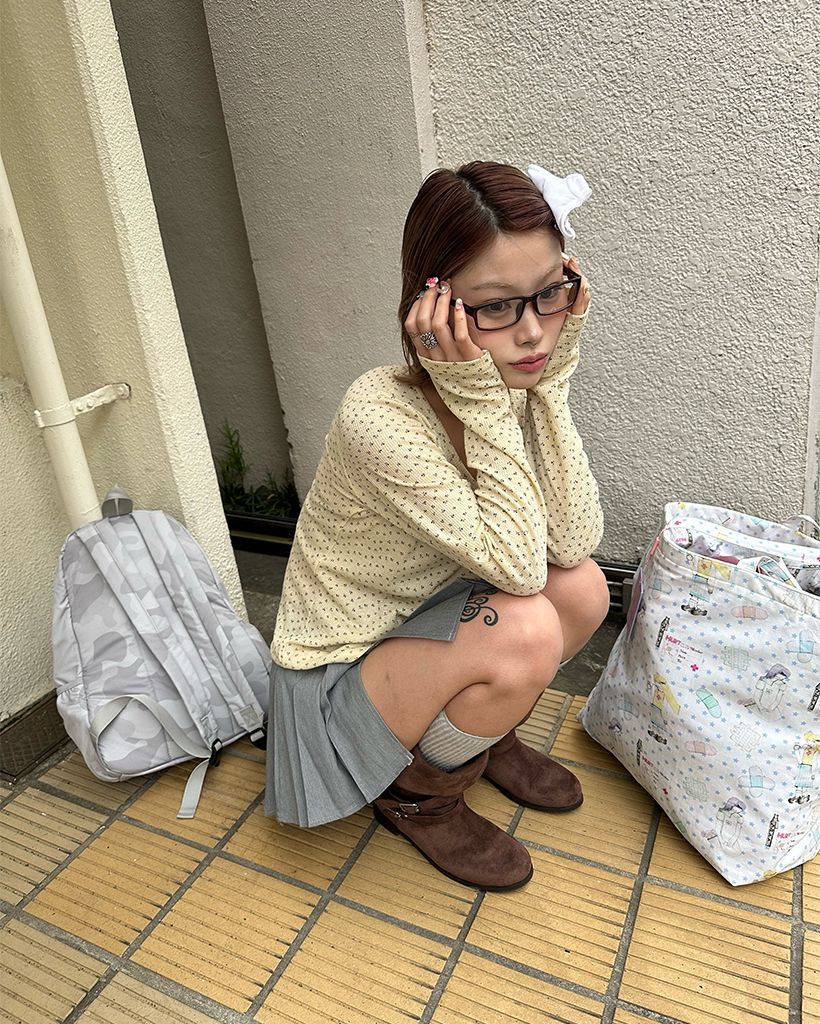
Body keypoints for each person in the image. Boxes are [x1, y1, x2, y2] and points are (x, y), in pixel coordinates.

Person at [265, 160, 608, 892]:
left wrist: (552, 386)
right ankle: (418, 795)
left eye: (550, 292)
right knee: (528, 625)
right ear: (433, 306)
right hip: (340, 679)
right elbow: (519, 572)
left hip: (428, 624)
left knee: (583, 589)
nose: (533, 331)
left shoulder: (507, 381)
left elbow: (572, 541)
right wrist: (484, 402)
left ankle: (480, 731)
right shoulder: (380, 416)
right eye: (496, 306)